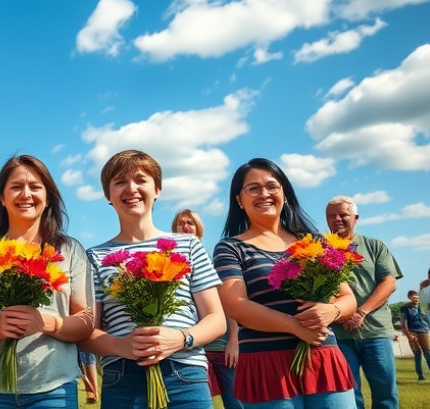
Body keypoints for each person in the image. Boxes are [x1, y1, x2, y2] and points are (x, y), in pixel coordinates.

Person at [84, 151, 225, 409]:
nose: (131, 189)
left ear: (157, 189)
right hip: (123, 376)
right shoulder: (95, 256)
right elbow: (88, 331)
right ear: (108, 195)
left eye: (141, 179)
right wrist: (122, 346)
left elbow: (216, 319)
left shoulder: (188, 245)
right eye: (119, 182)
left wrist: (181, 338)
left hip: (184, 374)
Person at [214, 158, 356, 407]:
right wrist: (295, 326)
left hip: (322, 355)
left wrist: (331, 311)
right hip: (265, 364)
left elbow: (348, 298)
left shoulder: (314, 242)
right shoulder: (230, 247)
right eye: (253, 188)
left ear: (285, 194)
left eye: (272, 186)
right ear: (239, 199)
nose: (264, 194)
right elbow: (236, 305)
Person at [0, 154, 94, 408]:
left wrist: (47, 322)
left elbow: (85, 322)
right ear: (2, 197)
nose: (26, 194)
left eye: (35, 187)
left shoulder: (70, 250)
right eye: (16, 187)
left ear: (48, 196)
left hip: (53, 389)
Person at [326, 195, 402, 409]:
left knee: (385, 392)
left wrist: (361, 312)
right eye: (332, 216)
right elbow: (315, 289)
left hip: (375, 331)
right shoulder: (321, 250)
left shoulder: (374, 245)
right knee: (349, 393)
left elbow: (389, 283)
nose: (338, 219)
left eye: (343, 214)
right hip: (339, 334)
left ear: (356, 218)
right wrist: (342, 315)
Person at [171, 209, 242, 409]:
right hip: (187, 351)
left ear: (199, 229)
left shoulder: (212, 265)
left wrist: (234, 342)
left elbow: (230, 307)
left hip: (219, 348)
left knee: (235, 402)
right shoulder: (168, 268)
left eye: (190, 223)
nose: (186, 227)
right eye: (181, 223)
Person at [400, 290, 430, 382]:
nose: (415, 298)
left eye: (416, 296)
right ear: (409, 298)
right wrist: (408, 334)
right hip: (413, 332)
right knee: (417, 354)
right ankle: (420, 375)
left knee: (428, 353)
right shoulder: (405, 309)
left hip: (424, 331)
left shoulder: (423, 306)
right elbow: (403, 322)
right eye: (413, 297)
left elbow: (427, 318)